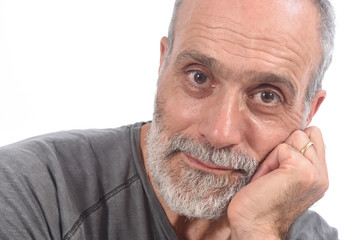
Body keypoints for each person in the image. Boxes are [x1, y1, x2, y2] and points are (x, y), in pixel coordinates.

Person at [0, 0, 338, 239]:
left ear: (309, 113)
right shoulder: (30, 192)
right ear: (164, 63)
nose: (220, 132)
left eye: (267, 95)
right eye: (199, 77)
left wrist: (259, 230)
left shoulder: (303, 234)